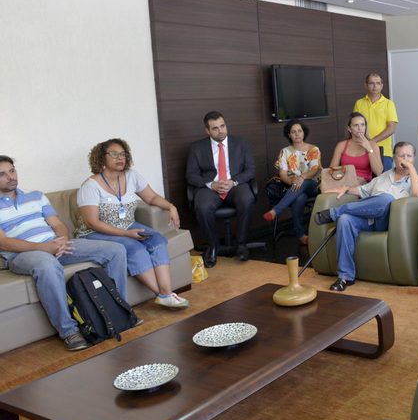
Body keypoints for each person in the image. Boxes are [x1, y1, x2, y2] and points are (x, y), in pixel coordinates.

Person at [0, 156, 130, 351]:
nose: (11, 177)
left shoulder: (36, 196)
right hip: (22, 255)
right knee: (47, 265)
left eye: (12, 171)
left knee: (115, 250)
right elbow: (4, 242)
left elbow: (58, 224)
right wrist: (45, 248)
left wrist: (61, 241)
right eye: (2, 174)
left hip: (56, 245)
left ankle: (119, 313)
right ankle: (69, 331)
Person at [75, 139, 188, 309]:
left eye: (123, 154)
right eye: (114, 154)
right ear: (101, 158)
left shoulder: (132, 176)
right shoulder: (90, 186)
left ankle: (167, 293)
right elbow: (92, 222)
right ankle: (162, 295)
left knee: (157, 240)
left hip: (127, 224)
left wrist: (171, 206)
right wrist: (126, 234)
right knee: (135, 248)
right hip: (95, 232)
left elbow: (151, 197)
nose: (120, 157)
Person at [314, 142, 418, 292]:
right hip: (369, 220)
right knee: (345, 220)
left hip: (391, 223)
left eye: (409, 156)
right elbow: (362, 191)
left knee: (386, 199)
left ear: (414, 158)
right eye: (401, 155)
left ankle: (334, 213)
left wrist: (411, 168)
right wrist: (346, 188)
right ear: (394, 158)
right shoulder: (383, 177)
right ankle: (345, 276)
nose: (405, 159)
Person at [186, 111, 256, 267]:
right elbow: (191, 175)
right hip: (210, 188)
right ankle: (213, 247)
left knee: (247, 199)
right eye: (215, 128)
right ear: (207, 131)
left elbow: (250, 170)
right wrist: (212, 184)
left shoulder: (241, 143)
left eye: (222, 126)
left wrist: (233, 182)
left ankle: (241, 243)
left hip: (235, 185)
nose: (221, 131)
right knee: (203, 207)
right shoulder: (197, 148)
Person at [263, 120, 321, 246]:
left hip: (312, 184)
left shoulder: (313, 149)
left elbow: (314, 171)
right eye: (293, 132)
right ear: (289, 135)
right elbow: (282, 174)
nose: (297, 134)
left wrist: (302, 177)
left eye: (299, 131)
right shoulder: (285, 152)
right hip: (293, 187)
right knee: (299, 197)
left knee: (303, 183)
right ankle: (300, 235)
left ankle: (276, 210)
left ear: (304, 133)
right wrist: (290, 181)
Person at [354, 73, 398, 172]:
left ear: (381, 86)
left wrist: (371, 142)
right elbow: (354, 126)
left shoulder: (389, 104)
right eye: (371, 83)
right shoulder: (359, 103)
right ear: (366, 85)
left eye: (377, 83)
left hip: (384, 152)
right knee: (364, 179)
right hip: (362, 150)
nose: (375, 86)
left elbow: (391, 129)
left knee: (383, 180)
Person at [329, 112, 384, 184]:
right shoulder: (341, 145)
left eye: (362, 125)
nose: (360, 128)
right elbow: (332, 171)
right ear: (349, 128)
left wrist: (369, 148)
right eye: (356, 125)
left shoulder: (373, 145)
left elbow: (378, 172)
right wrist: (351, 178)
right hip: (345, 182)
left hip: (365, 184)